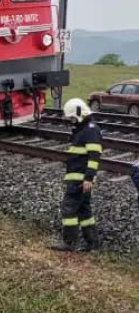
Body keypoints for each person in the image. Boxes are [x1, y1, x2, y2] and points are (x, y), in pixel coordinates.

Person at [51, 98, 102, 252]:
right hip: (79, 178)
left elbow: (94, 156)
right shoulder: (85, 129)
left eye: (72, 118)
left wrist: (88, 178)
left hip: (80, 179)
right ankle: (93, 244)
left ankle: (69, 242)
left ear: (79, 113)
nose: (71, 122)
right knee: (84, 210)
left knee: (68, 209)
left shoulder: (89, 130)